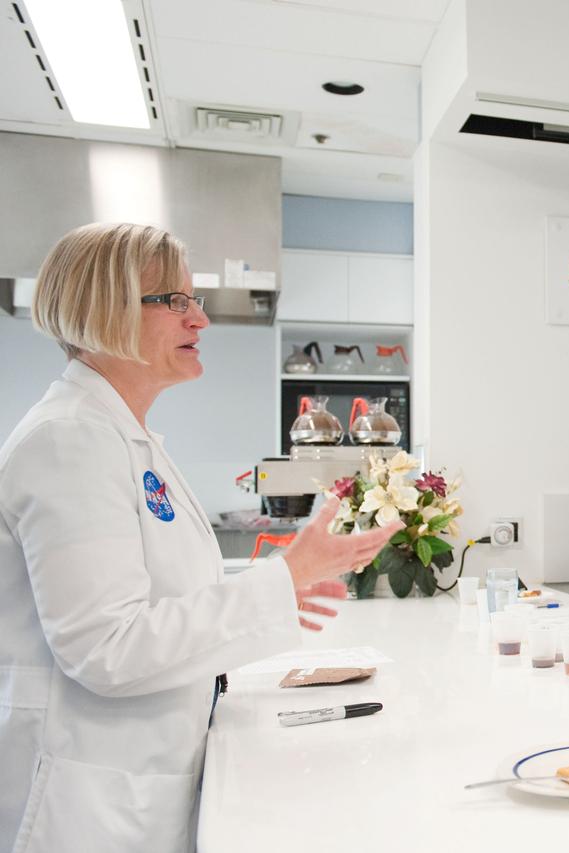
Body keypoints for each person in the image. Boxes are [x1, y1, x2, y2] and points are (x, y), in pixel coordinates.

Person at [0, 223, 402, 852]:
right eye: (176, 301)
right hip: (90, 803)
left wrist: (278, 592)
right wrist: (283, 579)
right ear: (107, 311)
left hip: (141, 778)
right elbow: (106, 647)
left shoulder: (124, 437)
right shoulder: (69, 440)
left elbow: (156, 602)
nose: (201, 320)